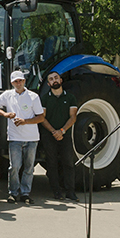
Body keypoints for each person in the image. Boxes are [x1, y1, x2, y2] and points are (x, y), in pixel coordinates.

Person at [0, 71, 45, 204]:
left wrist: (25, 121)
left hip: (31, 138)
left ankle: (25, 193)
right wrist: (4, 114)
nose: (18, 83)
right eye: (15, 81)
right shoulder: (8, 95)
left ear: (24, 81)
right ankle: (13, 193)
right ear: (12, 83)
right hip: (14, 138)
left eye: (20, 80)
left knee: (29, 167)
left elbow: (41, 117)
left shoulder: (33, 97)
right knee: (14, 166)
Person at [39, 70, 79, 200]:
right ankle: (56, 191)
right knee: (52, 163)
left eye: (56, 78)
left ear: (61, 80)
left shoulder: (70, 97)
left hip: (65, 134)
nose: (54, 80)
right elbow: (42, 118)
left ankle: (70, 191)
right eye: (51, 79)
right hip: (49, 135)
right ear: (48, 84)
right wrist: (53, 132)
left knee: (68, 162)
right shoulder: (45, 99)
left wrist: (62, 131)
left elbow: (73, 117)